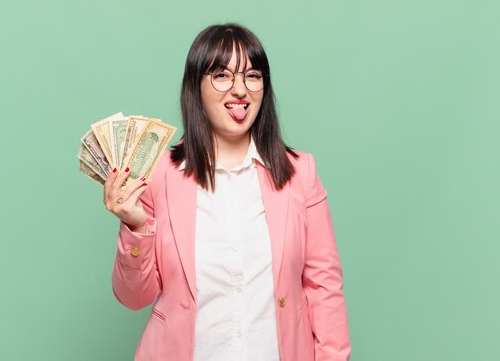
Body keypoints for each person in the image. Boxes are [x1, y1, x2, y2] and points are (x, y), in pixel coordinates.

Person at [103, 23, 350, 361]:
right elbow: (133, 297)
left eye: (252, 75)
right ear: (196, 87)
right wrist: (135, 228)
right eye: (222, 75)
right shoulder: (159, 175)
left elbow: (325, 286)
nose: (240, 90)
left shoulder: (299, 173)